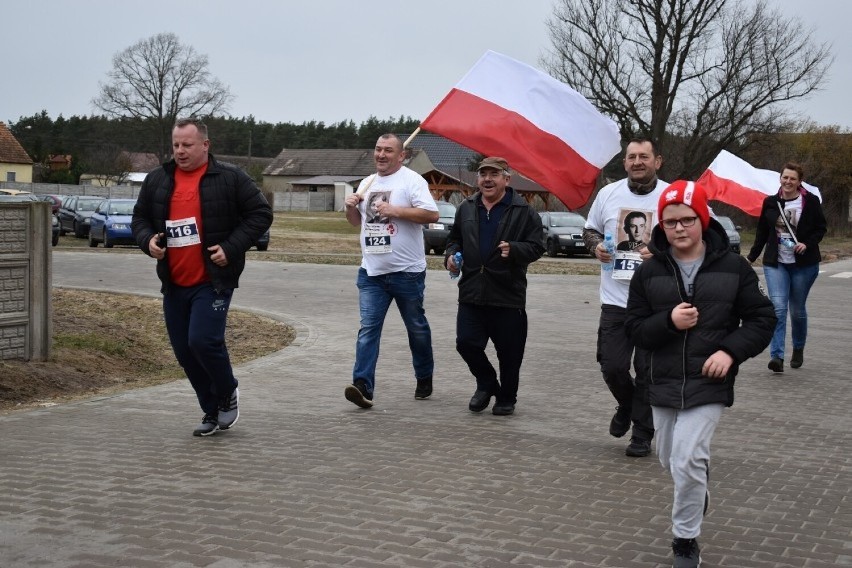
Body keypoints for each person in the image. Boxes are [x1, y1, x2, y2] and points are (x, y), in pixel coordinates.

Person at [625, 180, 775, 568]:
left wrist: (730, 352)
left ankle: (685, 540)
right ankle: (697, 486)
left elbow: (761, 319)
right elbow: (635, 329)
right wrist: (669, 322)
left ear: (703, 219)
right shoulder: (648, 273)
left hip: (709, 380)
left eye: (687, 220)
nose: (679, 228)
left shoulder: (733, 267)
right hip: (660, 381)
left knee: (688, 458)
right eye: (671, 221)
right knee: (671, 461)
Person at [131, 117, 273, 437]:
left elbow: (261, 214)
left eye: (187, 145)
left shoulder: (230, 178)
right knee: (184, 351)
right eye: (176, 145)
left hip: (213, 280)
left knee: (203, 341)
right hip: (175, 282)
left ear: (205, 145)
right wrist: (147, 241)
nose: (180, 151)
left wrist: (231, 248)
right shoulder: (158, 179)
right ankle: (210, 409)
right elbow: (139, 218)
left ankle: (227, 392)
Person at [582, 137, 668, 457]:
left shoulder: (669, 196)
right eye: (632, 157)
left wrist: (659, 252)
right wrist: (596, 247)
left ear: (657, 161)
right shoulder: (608, 194)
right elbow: (589, 230)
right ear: (625, 163)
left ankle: (642, 434)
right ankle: (628, 405)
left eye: (643, 157)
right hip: (616, 299)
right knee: (612, 366)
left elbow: (688, 237)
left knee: (647, 371)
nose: (637, 162)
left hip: (655, 303)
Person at [342, 133, 439, 408]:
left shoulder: (412, 181)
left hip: (406, 272)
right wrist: (350, 208)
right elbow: (355, 223)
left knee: (416, 328)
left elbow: (431, 215)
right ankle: (362, 386)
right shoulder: (367, 181)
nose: (381, 155)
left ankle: (424, 375)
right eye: (377, 149)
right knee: (368, 329)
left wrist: (395, 210)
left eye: (388, 150)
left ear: (401, 155)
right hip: (371, 272)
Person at [444, 157, 544, 416]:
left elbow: (537, 247)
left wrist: (515, 249)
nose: (487, 179)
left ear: (506, 179)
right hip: (471, 291)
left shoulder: (524, 210)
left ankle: (507, 398)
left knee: (509, 354)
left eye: (494, 174)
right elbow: (454, 240)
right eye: (483, 174)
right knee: (466, 344)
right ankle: (487, 384)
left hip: (507, 292)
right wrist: (450, 257)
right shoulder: (466, 207)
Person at [746, 162, 826, 373]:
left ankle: (798, 348)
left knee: (797, 311)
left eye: (793, 178)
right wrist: (751, 257)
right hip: (777, 263)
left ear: (799, 182)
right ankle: (777, 356)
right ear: (780, 179)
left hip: (804, 264)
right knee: (778, 308)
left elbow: (821, 228)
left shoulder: (810, 202)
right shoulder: (771, 203)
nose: (788, 182)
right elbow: (762, 232)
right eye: (785, 177)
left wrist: (807, 243)